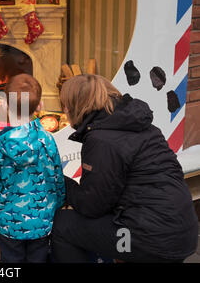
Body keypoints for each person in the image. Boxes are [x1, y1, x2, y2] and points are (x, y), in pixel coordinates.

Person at [51, 74, 198, 263]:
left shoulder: (101, 140)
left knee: (63, 225)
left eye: (65, 105)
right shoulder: (143, 127)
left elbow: (91, 206)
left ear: (75, 106)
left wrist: (59, 180)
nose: (64, 110)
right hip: (182, 233)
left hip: (148, 241)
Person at [0, 74, 66, 263]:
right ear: (40, 105)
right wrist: (58, 203)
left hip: (10, 226)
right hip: (42, 222)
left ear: (4, 105)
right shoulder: (47, 140)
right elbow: (56, 175)